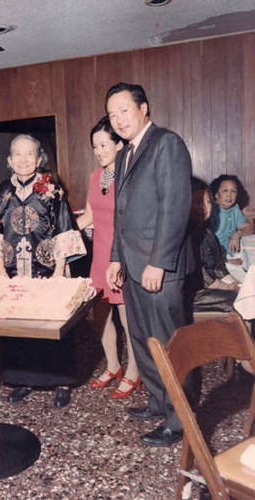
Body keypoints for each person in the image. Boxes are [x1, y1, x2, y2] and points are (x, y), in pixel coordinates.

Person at [105, 83, 194, 447]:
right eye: (112, 115)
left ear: (144, 108)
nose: (118, 120)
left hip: (160, 268)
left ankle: (180, 419)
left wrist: (158, 262)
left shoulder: (167, 144)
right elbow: (121, 214)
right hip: (132, 265)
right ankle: (159, 403)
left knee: (170, 345)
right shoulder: (125, 153)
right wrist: (115, 257)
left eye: (124, 110)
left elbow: (175, 208)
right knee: (143, 340)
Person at [0, 134, 86, 407]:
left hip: (47, 273)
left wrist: (59, 272)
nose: (23, 160)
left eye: (29, 155)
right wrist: (0, 273)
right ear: (10, 161)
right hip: (12, 274)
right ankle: (23, 379)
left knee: (53, 327)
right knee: (19, 330)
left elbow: (63, 231)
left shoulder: (52, 192)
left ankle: (61, 381)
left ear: (38, 160)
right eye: (17, 155)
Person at [78, 117, 140, 398]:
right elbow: (90, 216)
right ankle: (113, 364)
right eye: (95, 146)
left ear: (119, 144)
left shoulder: (129, 173)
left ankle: (133, 372)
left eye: (104, 144)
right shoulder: (96, 176)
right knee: (100, 314)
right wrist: (60, 232)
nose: (99, 150)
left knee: (128, 318)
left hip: (122, 255)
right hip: (100, 255)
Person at [188, 177, 239, 312]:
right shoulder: (187, 234)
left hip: (209, 288)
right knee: (241, 301)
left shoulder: (206, 230)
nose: (204, 207)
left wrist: (232, 281)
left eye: (208, 202)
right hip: (194, 295)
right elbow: (203, 278)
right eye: (198, 202)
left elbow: (217, 263)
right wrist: (227, 287)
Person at [210, 174, 251, 256]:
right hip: (216, 258)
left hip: (232, 254)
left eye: (233, 191)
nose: (229, 195)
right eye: (225, 191)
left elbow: (248, 227)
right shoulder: (211, 211)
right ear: (216, 194)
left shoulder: (234, 209)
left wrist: (237, 234)